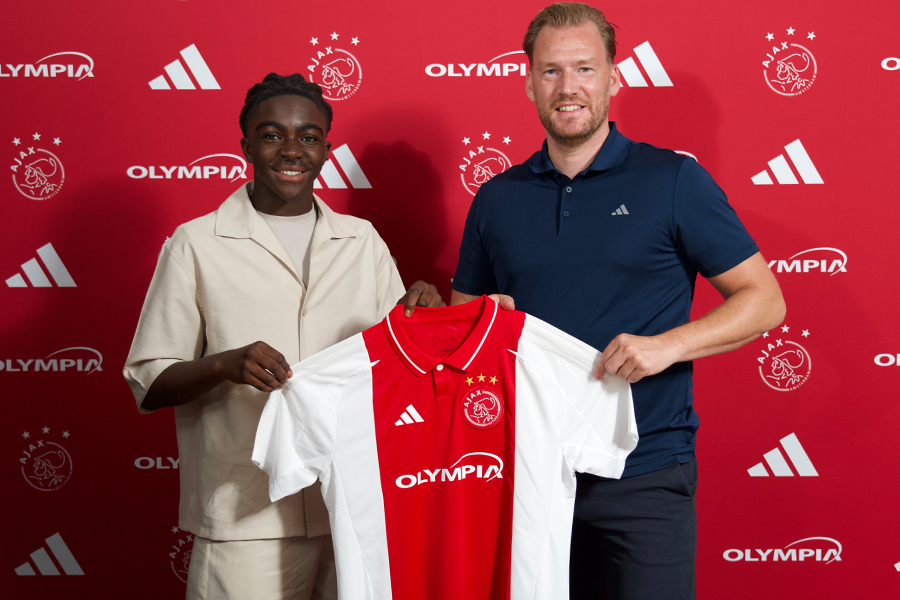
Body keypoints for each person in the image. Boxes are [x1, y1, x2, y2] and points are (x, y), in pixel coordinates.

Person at [446, 4, 786, 599]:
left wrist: (667, 346)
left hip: (645, 470)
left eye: (584, 69)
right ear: (528, 82)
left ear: (613, 78)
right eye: (551, 71)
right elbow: (463, 323)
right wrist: (482, 323)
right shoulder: (497, 198)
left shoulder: (673, 180)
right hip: (529, 473)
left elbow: (765, 301)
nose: (568, 87)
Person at [123, 73, 441, 600]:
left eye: (308, 137)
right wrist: (224, 364)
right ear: (246, 145)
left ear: (326, 150)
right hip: (246, 514)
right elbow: (149, 381)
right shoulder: (196, 244)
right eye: (272, 135)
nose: (292, 150)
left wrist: (423, 316)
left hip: (352, 506)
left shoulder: (361, 241)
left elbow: (401, 364)